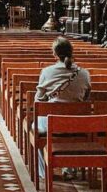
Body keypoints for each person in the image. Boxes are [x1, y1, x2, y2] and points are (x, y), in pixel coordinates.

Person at [35, 37, 91, 179]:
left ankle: (44, 172)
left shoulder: (47, 72)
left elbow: (38, 100)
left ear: (54, 54)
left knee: (35, 125)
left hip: (52, 123)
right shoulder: (84, 73)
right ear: (72, 53)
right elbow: (86, 98)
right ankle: (70, 169)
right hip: (76, 124)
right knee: (71, 120)